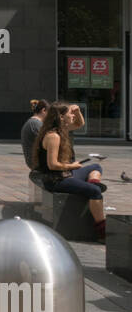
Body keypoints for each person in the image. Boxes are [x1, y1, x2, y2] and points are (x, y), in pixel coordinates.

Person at [33, 101, 107, 240]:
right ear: (61, 117)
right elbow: (52, 165)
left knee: (96, 167)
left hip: (66, 174)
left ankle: (92, 183)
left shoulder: (62, 129)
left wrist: (78, 111)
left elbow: (80, 124)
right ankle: (102, 231)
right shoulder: (53, 136)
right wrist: (72, 166)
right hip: (56, 180)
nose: (72, 116)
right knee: (95, 192)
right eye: (70, 114)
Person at [21, 98, 49, 173]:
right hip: (38, 163)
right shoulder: (36, 124)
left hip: (35, 162)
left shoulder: (33, 123)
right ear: (43, 110)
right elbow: (48, 142)